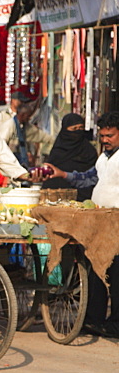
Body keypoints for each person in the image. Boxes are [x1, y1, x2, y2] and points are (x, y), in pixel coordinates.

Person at [43, 111, 119, 337]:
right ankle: (93, 320)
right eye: (102, 136)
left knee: (115, 275)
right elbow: (88, 178)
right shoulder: (103, 158)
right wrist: (62, 174)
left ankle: (115, 325)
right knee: (96, 270)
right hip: (98, 223)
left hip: (115, 223)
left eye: (110, 136)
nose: (105, 140)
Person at [42, 113, 98, 201]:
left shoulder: (89, 150)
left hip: (82, 197)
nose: (78, 131)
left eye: (80, 128)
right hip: (55, 196)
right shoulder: (58, 149)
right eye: (74, 129)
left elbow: (92, 177)